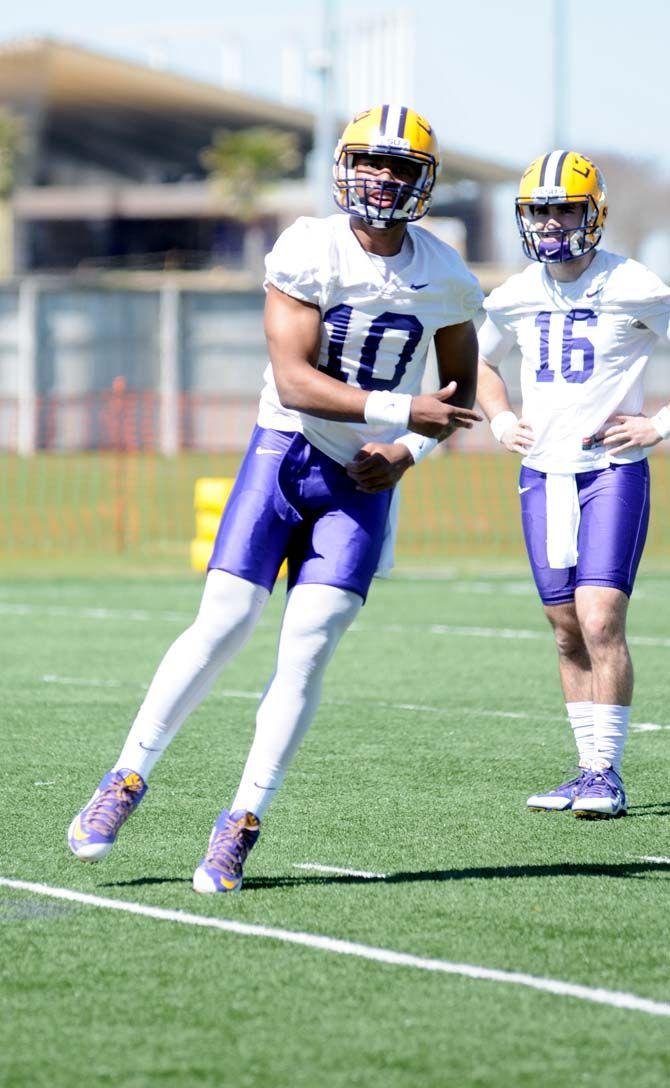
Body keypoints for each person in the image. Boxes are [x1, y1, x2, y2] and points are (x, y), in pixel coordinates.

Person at [68, 104, 484, 891]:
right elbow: (296, 382)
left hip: (360, 482)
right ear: (343, 166)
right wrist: (401, 414)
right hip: (284, 454)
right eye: (371, 161)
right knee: (223, 622)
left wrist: (405, 452)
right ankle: (126, 776)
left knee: (310, 646)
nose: (383, 178)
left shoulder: (448, 273)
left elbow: (454, 395)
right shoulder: (307, 245)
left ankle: (242, 820)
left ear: (424, 181)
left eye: (400, 167)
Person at [477, 149, 670, 818]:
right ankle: (587, 768)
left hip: (611, 470)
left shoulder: (636, 284)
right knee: (565, 630)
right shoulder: (517, 292)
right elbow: (479, 361)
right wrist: (500, 418)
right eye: (540, 210)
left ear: (595, 214)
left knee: (600, 619)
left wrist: (660, 424)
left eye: (564, 208)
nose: (552, 222)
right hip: (543, 475)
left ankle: (607, 775)